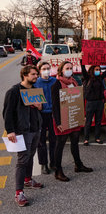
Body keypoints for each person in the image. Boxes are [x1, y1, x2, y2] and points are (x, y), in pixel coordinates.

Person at [3, 65, 44, 207]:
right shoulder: (14, 91)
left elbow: (40, 108)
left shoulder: (35, 90)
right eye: (33, 74)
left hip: (35, 129)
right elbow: (7, 113)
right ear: (24, 75)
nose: (36, 76)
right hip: (22, 131)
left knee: (30, 156)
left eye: (36, 74)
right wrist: (10, 130)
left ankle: (28, 180)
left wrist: (39, 106)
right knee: (22, 160)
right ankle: (19, 192)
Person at [51, 61, 93, 182]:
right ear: (61, 70)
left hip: (74, 117)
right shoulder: (56, 84)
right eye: (67, 68)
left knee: (75, 142)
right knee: (60, 145)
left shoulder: (74, 82)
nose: (69, 70)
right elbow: (55, 106)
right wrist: (59, 123)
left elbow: (78, 101)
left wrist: (82, 116)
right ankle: (58, 171)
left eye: (71, 68)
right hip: (62, 119)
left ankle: (78, 165)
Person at [34, 62, 57, 174]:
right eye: (44, 69)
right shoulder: (36, 83)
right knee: (41, 141)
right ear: (40, 71)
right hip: (41, 115)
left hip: (53, 114)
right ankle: (43, 164)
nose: (46, 70)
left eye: (48, 68)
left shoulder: (55, 81)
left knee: (54, 140)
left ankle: (53, 162)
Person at [81, 62, 106, 146]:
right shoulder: (88, 78)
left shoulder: (101, 78)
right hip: (90, 103)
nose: (98, 71)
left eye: (99, 69)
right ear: (92, 70)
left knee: (98, 122)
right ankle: (86, 139)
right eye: (96, 69)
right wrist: (81, 61)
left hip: (99, 102)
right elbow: (83, 70)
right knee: (88, 122)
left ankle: (97, 138)